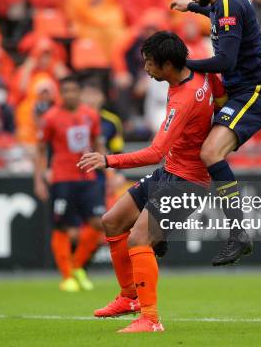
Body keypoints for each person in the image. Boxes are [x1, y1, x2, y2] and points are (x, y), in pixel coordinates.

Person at [77, 31, 220, 333]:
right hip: (170, 172)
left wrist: (108, 159)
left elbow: (155, 151)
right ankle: (130, 297)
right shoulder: (201, 72)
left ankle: (151, 319)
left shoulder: (183, 99)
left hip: (186, 181)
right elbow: (222, 95)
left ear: (167, 64)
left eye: (149, 63)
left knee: (139, 239)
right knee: (112, 221)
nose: (145, 69)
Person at [170, 0, 261, 265]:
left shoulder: (230, 4)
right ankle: (162, 225)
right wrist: (191, 7)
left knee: (209, 154)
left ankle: (238, 231)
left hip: (255, 93)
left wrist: (181, 65)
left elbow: (225, 62)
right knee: (196, 153)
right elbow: (215, 12)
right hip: (241, 92)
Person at [34, 75, 105, 292]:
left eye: (74, 90)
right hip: (63, 178)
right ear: (60, 94)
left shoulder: (90, 115)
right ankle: (67, 276)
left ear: (79, 93)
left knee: (98, 224)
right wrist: (39, 178)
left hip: (88, 178)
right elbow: (41, 148)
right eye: (66, 91)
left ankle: (76, 267)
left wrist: (105, 170)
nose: (70, 94)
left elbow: (98, 142)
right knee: (64, 227)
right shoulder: (51, 117)